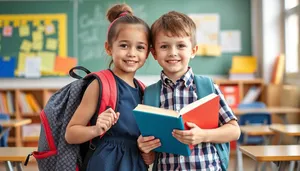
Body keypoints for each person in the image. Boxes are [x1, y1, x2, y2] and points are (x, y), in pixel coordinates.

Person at [137, 11, 241, 170]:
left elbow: (234, 131)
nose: (173, 52)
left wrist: (204, 135)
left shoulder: (208, 87)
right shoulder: (149, 95)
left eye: (181, 45)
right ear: (154, 53)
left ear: (193, 50)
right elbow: (150, 158)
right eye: (164, 46)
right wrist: (144, 148)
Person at [65, 3, 151, 171]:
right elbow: (71, 134)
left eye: (140, 47)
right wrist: (96, 129)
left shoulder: (144, 90)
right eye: (124, 45)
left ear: (147, 52)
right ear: (109, 48)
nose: (132, 53)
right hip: (104, 164)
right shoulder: (100, 85)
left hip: (135, 165)